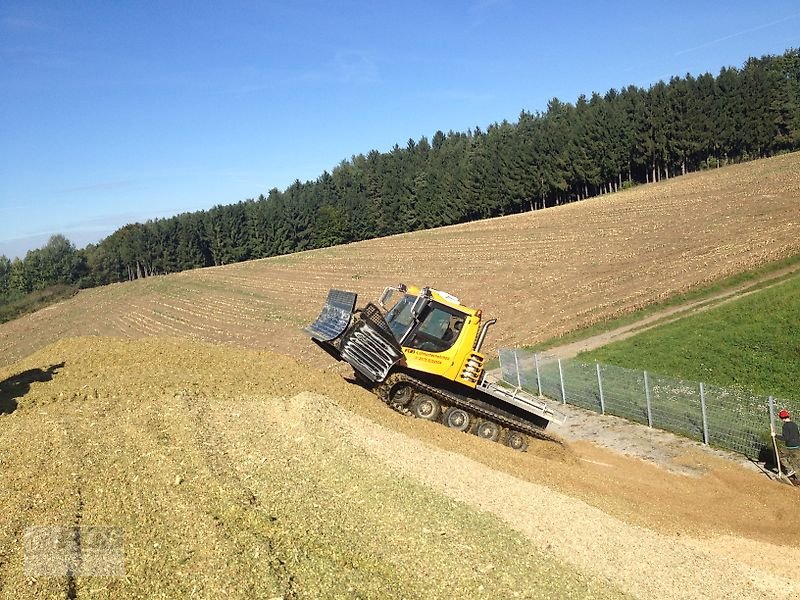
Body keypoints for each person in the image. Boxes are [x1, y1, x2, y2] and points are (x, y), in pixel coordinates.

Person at [777, 409, 800, 478]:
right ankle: (798, 478)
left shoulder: (785, 426)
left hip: (790, 447)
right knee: (796, 464)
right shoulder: (794, 424)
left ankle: (789, 469)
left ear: (782, 418)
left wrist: (775, 435)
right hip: (797, 446)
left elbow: (786, 438)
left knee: (782, 457)